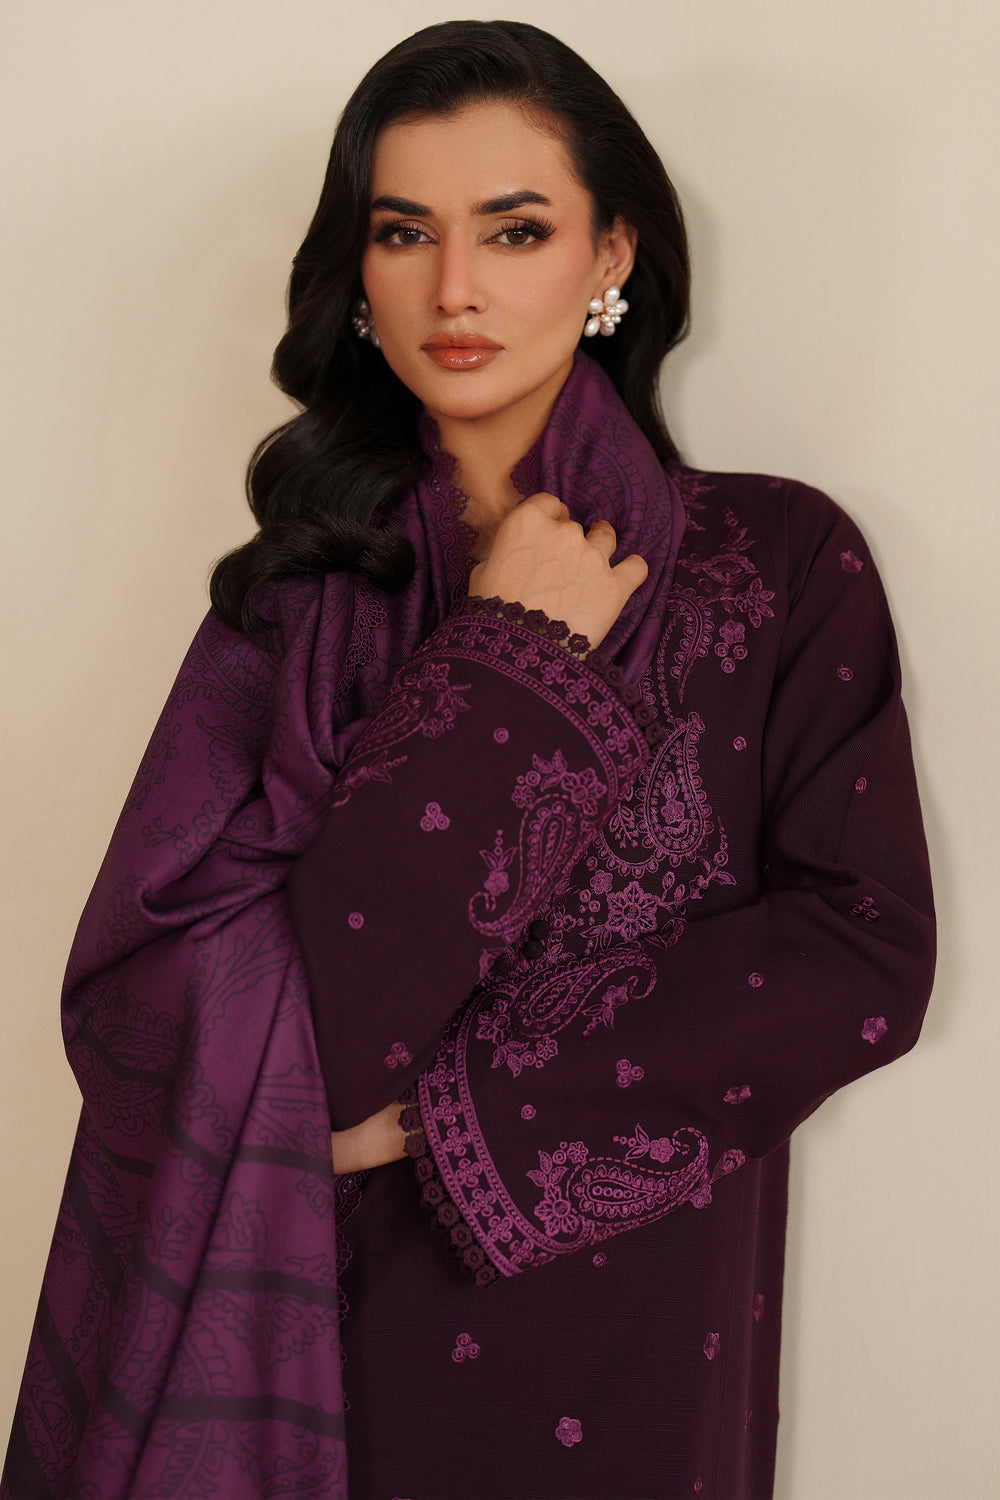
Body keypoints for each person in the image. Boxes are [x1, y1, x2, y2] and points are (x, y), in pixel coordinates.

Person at [1, 19, 935, 1500]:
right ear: (357, 276)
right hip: (314, 1354)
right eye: (403, 233)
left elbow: (860, 951)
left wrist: (452, 1122)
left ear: (612, 252)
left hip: (637, 1355)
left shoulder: (776, 560)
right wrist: (511, 660)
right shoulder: (294, 606)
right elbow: (157, 1014)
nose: (453, 290)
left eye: (514, 231)